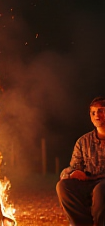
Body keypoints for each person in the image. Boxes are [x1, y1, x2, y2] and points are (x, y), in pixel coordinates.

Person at [56, 96, 105, 226]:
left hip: (103, 185)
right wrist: (71, 174)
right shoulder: (83, 142)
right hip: (89, 183)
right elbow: (73, 167)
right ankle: (81, 223)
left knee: (101, 189)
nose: (97, 115)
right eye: (93, 112)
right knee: (63, 186)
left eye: (101, 110)